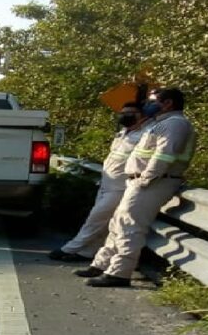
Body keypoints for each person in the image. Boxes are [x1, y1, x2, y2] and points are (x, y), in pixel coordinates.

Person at [76, 88, 197, 287]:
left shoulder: (176, 124)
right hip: (141, 181)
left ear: (168, 103)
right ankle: (102, 264)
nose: (147, 105)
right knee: (117, 224)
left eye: (153, 101)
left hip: (154, 182)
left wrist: (144, 180)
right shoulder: (160, 123)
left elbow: (164, 156)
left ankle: (120, 273)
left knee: (130, 227)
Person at [48, 102, 152, 262]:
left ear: (142, 115)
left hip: (121, 186)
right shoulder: (123, 133)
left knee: (95, 219)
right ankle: (88, 252)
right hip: (106, 183)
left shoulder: (145, 135)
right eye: (123, 113)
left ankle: (70, 248)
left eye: (131, 113)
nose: (126, 116)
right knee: (103, 222)